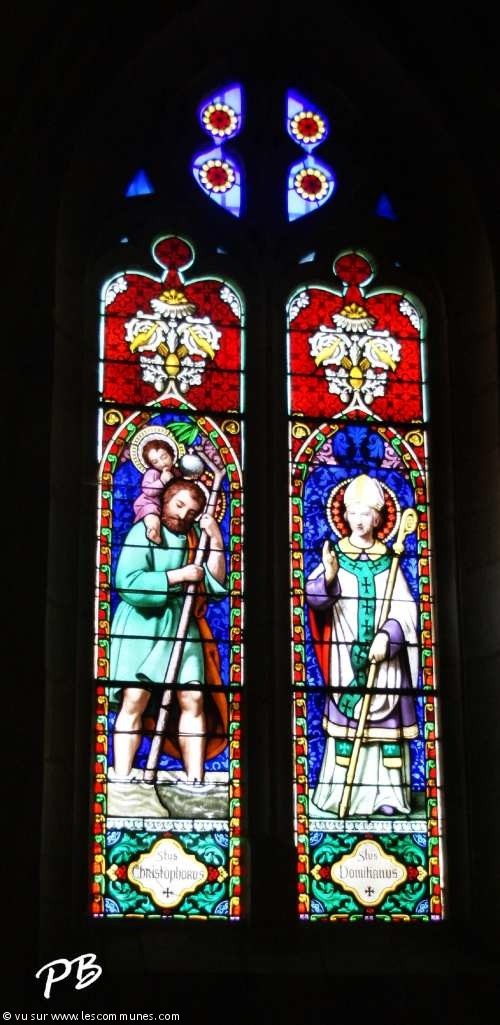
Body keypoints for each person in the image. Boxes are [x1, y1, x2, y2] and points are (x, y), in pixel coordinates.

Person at [306, 474, 419, 816]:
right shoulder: (336, 556)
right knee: (346, 728)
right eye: (353, 512)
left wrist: (388, 636)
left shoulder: (390, 559)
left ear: (378, 518)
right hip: (346, 657)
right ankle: (342, 794)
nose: (359, 519)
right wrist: (328, 576)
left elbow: (406, 610)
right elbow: (314, 599)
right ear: (344, 515)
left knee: (387, 733)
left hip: (385, 662)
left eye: (366, 513)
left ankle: (389, 796)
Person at [109, 478, 227, 784]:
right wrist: (178, 576)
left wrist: (215, 541)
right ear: (165, 501)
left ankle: (195, 779)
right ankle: (122, 777)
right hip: (143, 624)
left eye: (192, 512)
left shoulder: (195, 538)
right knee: (135, 698)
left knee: (194, 698)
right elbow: (127, 582)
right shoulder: (145, 531)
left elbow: (214, 587)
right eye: (179, 505)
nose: (184, 515)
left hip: (182, 623)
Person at [133, 438, 179, 544]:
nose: (162, 463)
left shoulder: (177, 472)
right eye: (155, 461)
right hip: (148, 502)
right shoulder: (152, 473)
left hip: (164, 506)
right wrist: (162, 481)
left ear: (171, 455)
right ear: (151, 464)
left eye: (164, 457)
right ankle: (153, 531)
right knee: (152, 514)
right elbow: (147, 490)